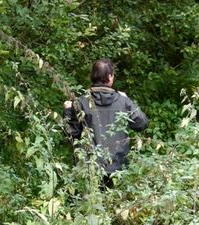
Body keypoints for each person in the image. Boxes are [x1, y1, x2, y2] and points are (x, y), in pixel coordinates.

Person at [63, 59, 149, 188]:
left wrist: (68, 111)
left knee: (89, 205)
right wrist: (127, 100)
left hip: (89, 167)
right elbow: (142, 124)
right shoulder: (123, 101)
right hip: (117, 169)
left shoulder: (80, 102)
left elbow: (70, 134)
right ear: (109, 77)